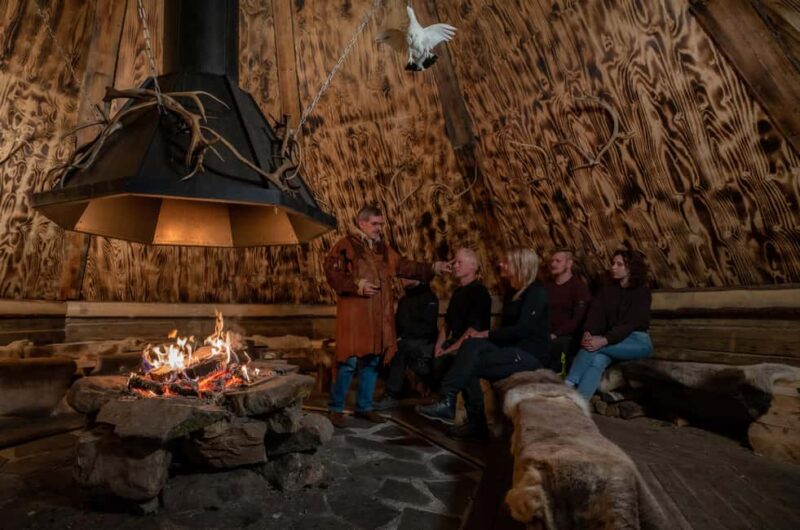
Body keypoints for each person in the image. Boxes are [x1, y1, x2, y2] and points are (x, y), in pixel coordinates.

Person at [324, 205, 450, 427]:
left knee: (372, 361)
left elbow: (403, 266)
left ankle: (364, 406)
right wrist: (357, 284)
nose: (380, 228)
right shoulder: (346, 245)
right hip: (355, 318)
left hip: (377, 317)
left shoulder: (382, 249)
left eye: (381, 224)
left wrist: (434, 267)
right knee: (348, 362)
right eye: (375, 224)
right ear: (362, 223)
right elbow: (332, 273)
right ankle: (336, 408)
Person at [416, 248, 550, 440]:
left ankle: (461, 411)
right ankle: (453, 405)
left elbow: (523, 330)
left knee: (469, 362)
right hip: (509, 349)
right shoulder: (513, 292)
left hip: (529, 355)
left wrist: (486, 334)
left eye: (507, 262)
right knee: (469, 348)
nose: (501, 265)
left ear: (520, 265)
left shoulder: (536, 292)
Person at [374, 248, 491, 410]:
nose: (455, 265)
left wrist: (448, 349)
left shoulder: (480, 292)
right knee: (394, 348)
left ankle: (432, 400)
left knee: (406, 350)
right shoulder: (457, 293)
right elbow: (446, 324)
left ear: (473, 267)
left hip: (469, 347)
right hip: (447, 344)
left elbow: (472, 331)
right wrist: (439, 346)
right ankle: (395, 391)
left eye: (459, 262)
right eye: (455, 262)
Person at [565, 249, 653, 400]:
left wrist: (603, 340)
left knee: (595, 347)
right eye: (613, 263)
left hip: (637, 342)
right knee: (597, 359)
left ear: (631, 268)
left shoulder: (642, 292)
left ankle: (567, 385)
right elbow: (595, 316)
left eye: (619, 264)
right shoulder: (607, 291)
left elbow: (630, 324)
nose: (613, 267)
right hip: (612, 340)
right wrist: (588, 332)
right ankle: (579, 403)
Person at [374, 278, 439, 409]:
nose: (402, 279)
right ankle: (382, 388)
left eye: (407, 276)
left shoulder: (429, 298)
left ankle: (392, 394)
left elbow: (428, 327)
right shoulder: (404, 300)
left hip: (424, 342)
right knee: (381, 348)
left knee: (400, 348)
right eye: (401, 276)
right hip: (405, 340)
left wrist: (403, 337)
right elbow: (397, 325)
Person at [545, 248, 591, 372]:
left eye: (558, 261)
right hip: (546, 332)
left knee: (560, 345)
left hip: (567, 335)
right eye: (552, 261)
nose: (553, 264)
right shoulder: (546, 286)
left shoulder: (578, 287)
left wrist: (556, 334)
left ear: (569, 263)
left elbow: (577, 319)